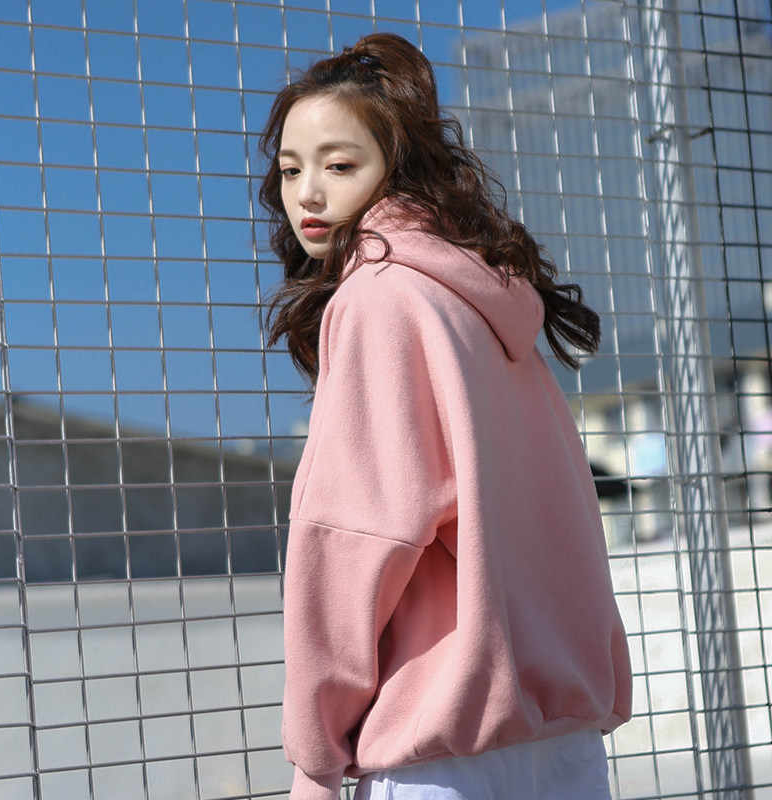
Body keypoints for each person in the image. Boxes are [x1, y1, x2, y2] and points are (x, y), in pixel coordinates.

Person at [259, 32, 632, 800]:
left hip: (442, 742)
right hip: (563, 741)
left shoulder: (379, 297)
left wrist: (315, 758)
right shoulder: (488, 308)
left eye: (339, 165)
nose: (308, 195)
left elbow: (355, 538)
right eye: (291, 169)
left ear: (397, 169)